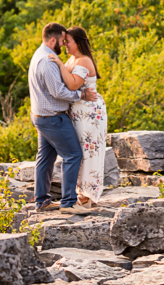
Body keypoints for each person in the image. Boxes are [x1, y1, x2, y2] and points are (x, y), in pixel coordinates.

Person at [28, 22, 98, 213]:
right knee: (73, 155)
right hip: (53, 118)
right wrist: (82, 96)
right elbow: (59, 91)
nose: (63, 45)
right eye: (62, 41)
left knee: (45, 158)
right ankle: (68, 203)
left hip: (41, 116)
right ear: (53, 40)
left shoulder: (38, 55)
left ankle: (41, 201)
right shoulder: (48, 61)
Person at [49, 26, 108, 206]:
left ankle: (89, 194)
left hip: (89, 112)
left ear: (78, 42)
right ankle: (80, 191)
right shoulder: (72, 59)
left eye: (68, 41)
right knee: (79, 150)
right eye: (64, 41)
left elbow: (74, 85)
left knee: (89, 151)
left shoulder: (83, 61)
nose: (65, 44)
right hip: (78, 112)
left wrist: (59, 64)